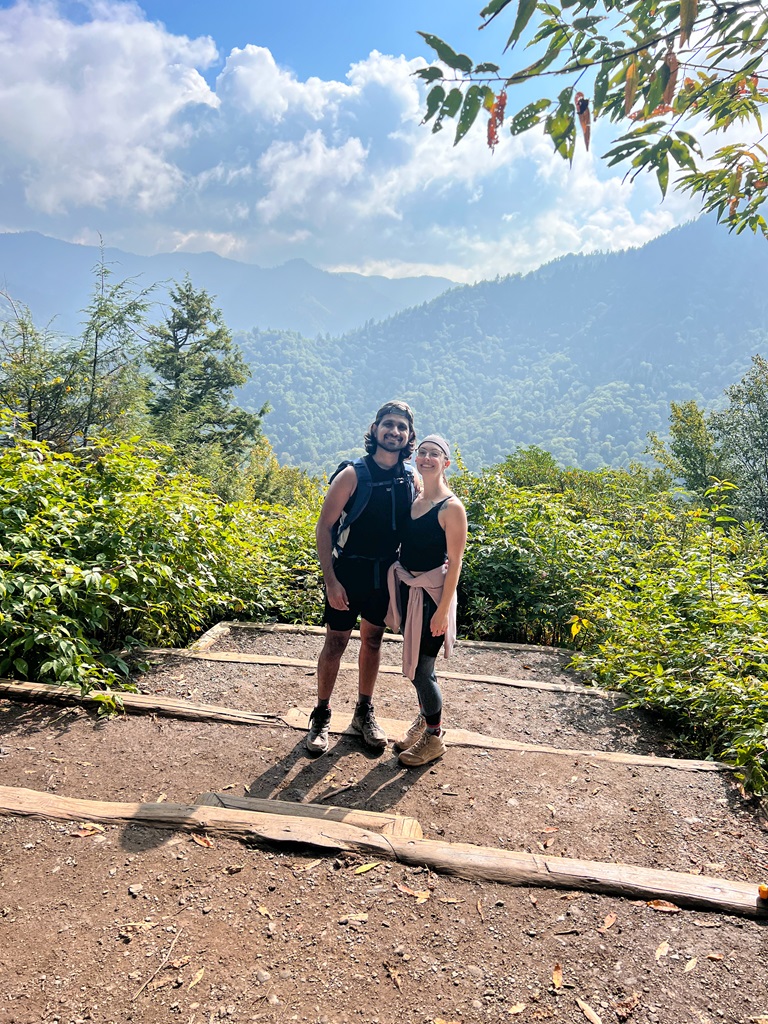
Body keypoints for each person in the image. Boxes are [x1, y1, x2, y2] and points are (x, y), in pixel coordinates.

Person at [306, 401, 418, 755]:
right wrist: (331, 581)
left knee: (372, 642)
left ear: (409, 435)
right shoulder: (353, 475)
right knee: (336, 643)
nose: (394, 432)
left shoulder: (410, 477)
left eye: (401, 427)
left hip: (384, 575)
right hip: (348, 570)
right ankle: (321, 714)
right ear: (375, 429)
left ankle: (363, 712)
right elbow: (324, 527)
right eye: (388, 424)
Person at [386, 434, 467, 767]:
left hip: (434, 597)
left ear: (446, 463)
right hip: (411, 592)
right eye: (422, 453)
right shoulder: (416, 499)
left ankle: (434, 737)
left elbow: (455, 564)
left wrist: (443, 612)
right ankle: (425, 717)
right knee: (419, 669)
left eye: (435, 454)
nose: (427, 458)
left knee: (422, 670)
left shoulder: (452, 508)